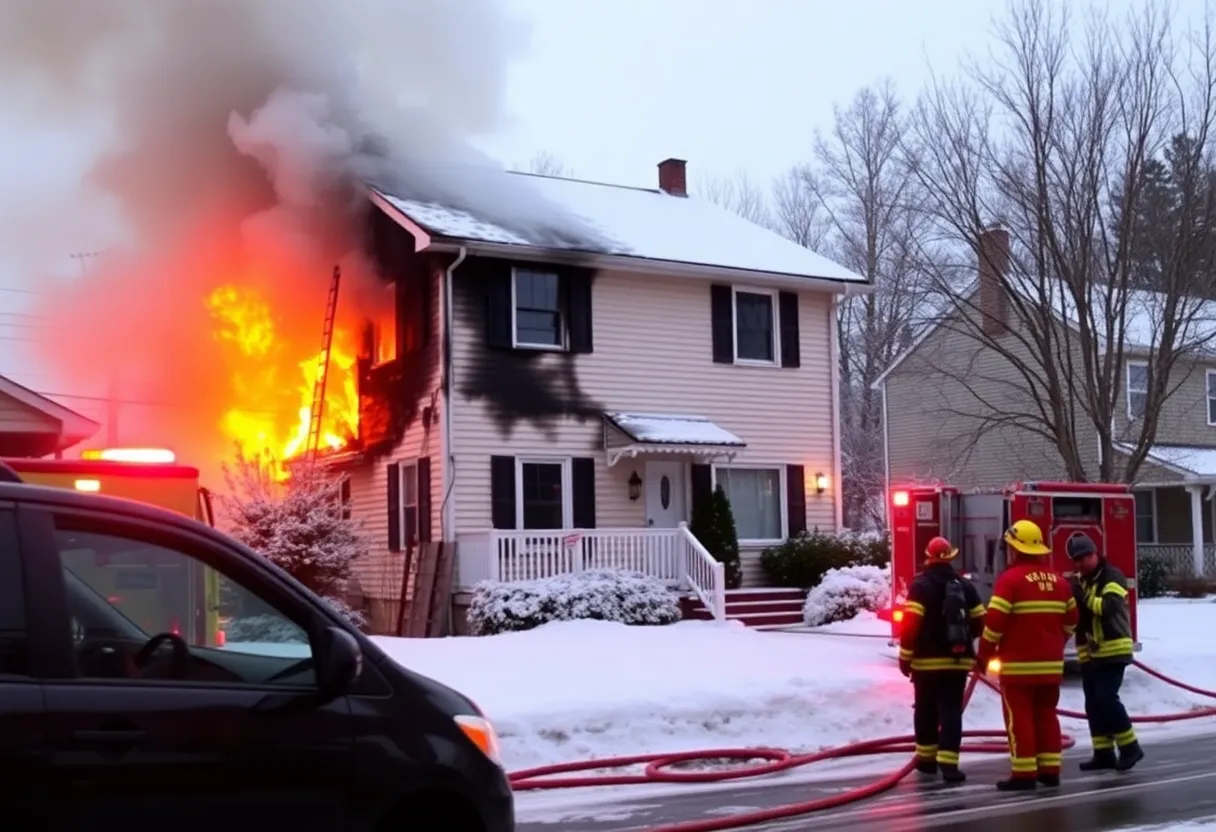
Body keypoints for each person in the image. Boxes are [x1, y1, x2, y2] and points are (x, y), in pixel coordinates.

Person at [975, 519, 1079, 791]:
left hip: (1018, 667)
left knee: (1019, 717)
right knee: (1047, 714)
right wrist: (1055, 642)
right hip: (1051, 666)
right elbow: (1071, 621)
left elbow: (994, 624)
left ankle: (1024, 774)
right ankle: (1050, 770)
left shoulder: (1009, 581)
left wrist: (983, 656)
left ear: (1013, 549)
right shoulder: (1059, 582)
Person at [898, 535, 986, 783]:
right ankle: (950, 765)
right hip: (957, 663)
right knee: (951, 711)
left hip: (926, 663)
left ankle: (926, 762)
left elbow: (910, 625)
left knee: (925, 709)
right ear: (950, 557)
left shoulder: (920, 586)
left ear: (928, 557)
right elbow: (980, 622)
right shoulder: (966, 587)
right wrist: (965, 641)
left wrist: (905, 657)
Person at [1066, 531, 1143, 772]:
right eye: (1077, 560)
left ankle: (1130, 747)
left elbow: (1109, 607)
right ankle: (1103, 752)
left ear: (1095, 554)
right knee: (1093, 703)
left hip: (1113, 649)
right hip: (1092, 653)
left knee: (1107, 698)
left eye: (1084, 558)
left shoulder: (1112, 576)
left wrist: (1083, 597)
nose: (1081, 564)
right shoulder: (1085, 580)